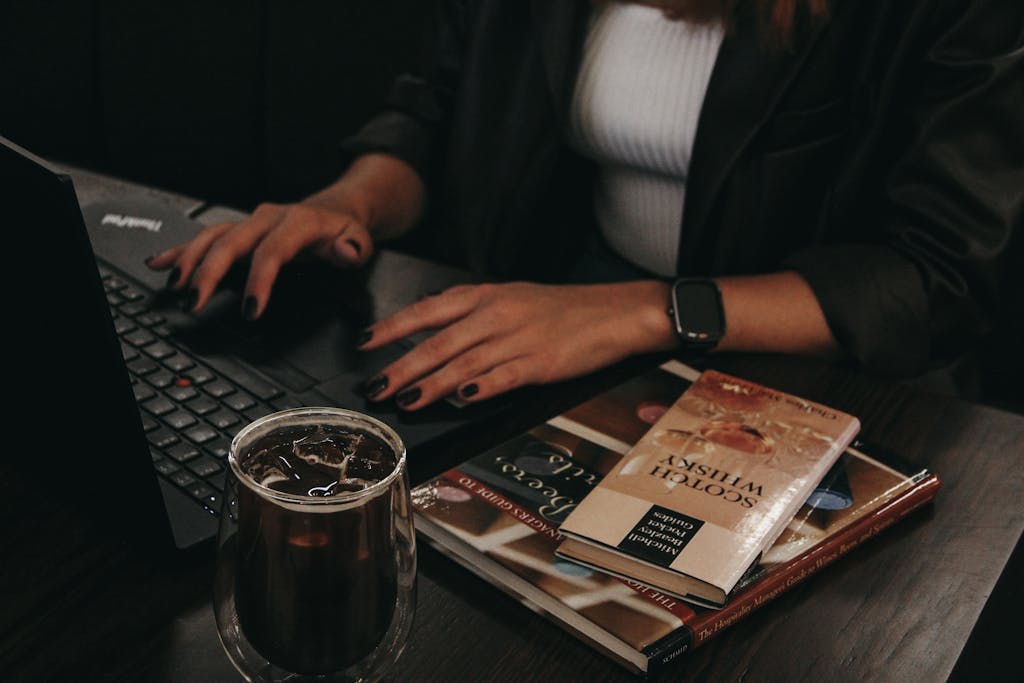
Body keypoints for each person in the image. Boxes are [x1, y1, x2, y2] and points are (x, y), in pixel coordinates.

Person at [146, 0, 1023, 411]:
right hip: (564, 311)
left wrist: (647, 311)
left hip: (821, 376)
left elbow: (933, 277)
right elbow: (438, 105)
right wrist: (351, 204)